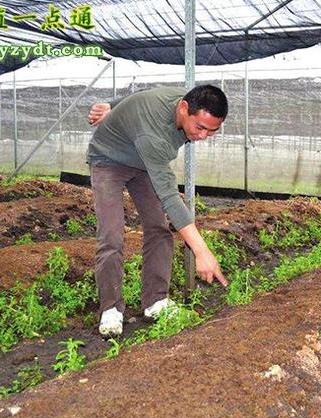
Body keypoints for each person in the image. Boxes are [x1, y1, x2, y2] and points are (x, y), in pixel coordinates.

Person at [86, 84, 229, 337]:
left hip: (143, 164)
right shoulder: (153, 135)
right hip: (109, 160)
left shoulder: (180, 98)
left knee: (158, 228)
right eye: (200, 128)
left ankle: (155, 301)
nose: (203, 136)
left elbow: (141, 95)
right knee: (112, 234)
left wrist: (113, 105)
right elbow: (170, 197)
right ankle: (110, 309)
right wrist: (201, 251)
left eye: (212, 131)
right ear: (184, 109)